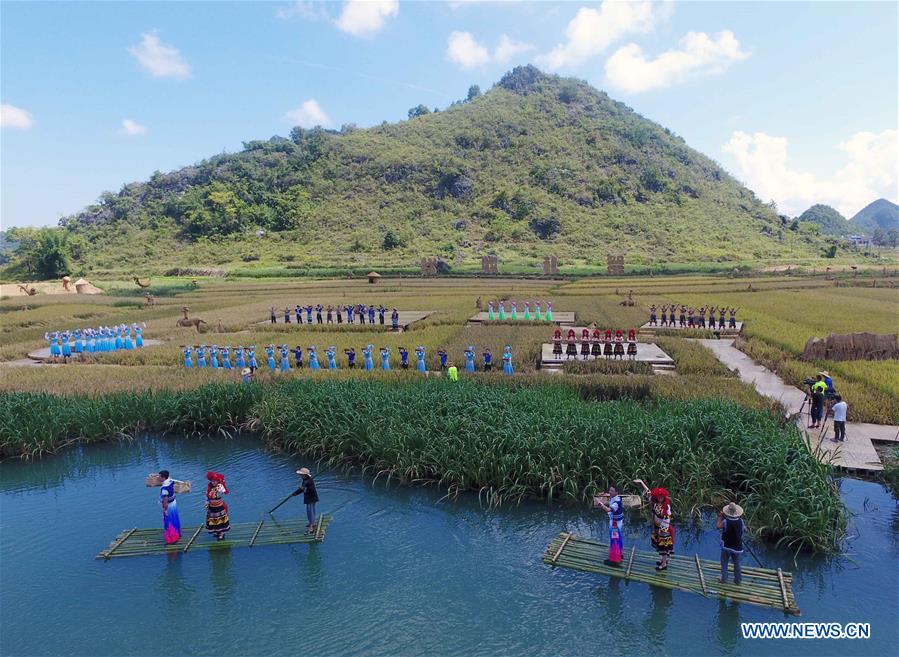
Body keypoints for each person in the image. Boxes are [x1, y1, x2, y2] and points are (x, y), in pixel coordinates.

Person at [633, 479, 674, 570]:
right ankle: (663, 560)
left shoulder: (666, 506)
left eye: (661, 497)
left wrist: (662, 529)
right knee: (660, 545)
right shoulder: (655, 502)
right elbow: (648, 492)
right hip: (657, 526)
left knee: (664, 546)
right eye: (659, 496)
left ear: (664, 497)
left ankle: (663, 564)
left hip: (663, 528)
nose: (660, 498)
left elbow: (668, 518)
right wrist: (642, 483)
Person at [594, 485, 625, 565]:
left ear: (616, 492)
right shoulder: (617, 497)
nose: (610, 492)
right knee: (619, 539)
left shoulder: (616, 503)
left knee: (614, 540)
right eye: (609, 490)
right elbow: (609, 495)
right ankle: (620, 554)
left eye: (612, 491)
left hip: (615, 524)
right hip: (618, 522)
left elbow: (608, 509)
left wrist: (600, 504)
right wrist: (604, 494)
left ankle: (614, 559)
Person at [716, 502, 745, 584]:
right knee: (737, 563)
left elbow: (718, 526)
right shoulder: (741, 521)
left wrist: (720, 517)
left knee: (724, 562)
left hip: (727, 547)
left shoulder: (725, 521)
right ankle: (738, 580)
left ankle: (724, 579)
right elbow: (743, 530)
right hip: (737, 547)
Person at [292, 467, 319, 534]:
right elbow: (302, 489)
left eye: (301, 475)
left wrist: (306, 488)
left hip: (311, 498)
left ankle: (311, 527)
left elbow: (312, 490)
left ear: (305, 475)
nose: (300, 476)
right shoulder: (305, 480)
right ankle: (311, 523)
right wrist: (295, 494)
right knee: (310, 511)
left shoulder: (310, 481)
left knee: (310, 512)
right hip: (308, 498)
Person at [158, 470, 182, 544]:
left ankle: (172, 538)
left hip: (169, 506)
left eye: (159, 476)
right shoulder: (170, 481)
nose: (158, 478)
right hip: (174, 503)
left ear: (163, 477)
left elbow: (165, 500)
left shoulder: (164, 489)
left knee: (168, 522)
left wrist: (165, 510)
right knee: (175, 519)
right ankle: (177, 534)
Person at [205, 472, 230, 540]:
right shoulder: (209, 486)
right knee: (214, 520)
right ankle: (217, 532)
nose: (213, 482)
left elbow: (223, 491)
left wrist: (222, 483)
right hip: (212, 506)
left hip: (219, 507)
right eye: (212, 481)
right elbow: (207, 496)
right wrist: (206, 504)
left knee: (221, 520)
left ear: (217, 481)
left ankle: (221, 534)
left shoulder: (220, 486)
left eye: (215, 481)